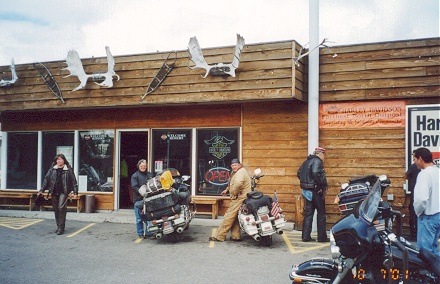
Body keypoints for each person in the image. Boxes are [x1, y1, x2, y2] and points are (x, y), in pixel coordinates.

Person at [209, 158, 251, 242]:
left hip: (239, 198)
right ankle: (236, 236)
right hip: (241, 197)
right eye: (232, 165)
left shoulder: (240, 172)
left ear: (239, 165)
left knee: (228, 217)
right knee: (234, 217)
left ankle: (219, 236)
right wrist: (227, 189)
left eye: (235, 165)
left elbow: (238, 183)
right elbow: (232, 182)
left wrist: (233, 193)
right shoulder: (237, 172)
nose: (234, 167)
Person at [38, 154, 78, 235]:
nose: (59, 161)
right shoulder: (52, 169)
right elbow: (46, 179)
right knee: (56, 209)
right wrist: (41, 190)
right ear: (56, 161)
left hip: (64, 192)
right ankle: (59, 226)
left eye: (61, 159)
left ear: (64, 160)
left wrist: (75, 192)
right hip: (54, 191)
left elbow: (74, 181)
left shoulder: (68, 169)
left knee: (61, 208)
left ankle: (61, 228)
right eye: (58, 160)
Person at [297, 147, 329, 242]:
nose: (324, 157)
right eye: (324, 154)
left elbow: (299, 173)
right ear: (320, 154)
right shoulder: (317, 161)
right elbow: (315, 173)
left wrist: (306, 183)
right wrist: (320, 186)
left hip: (307, 191)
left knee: (308, 214)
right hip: (315, 191)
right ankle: (322, 237)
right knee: (321, 213)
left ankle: (305, 237)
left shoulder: (306, 162)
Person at [412, 147, 440, 256]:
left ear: (420, 159)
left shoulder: (423, 174)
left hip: (428, 216)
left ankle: (427, 273)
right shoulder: (438, 171)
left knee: (425, 253)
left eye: (415, 159)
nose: (414, 162)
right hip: (438, 215)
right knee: (434, 250)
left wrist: (418, 212)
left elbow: (421, 199)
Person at [131, 159, 153, 238]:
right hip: (138, 200)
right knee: (139, 218)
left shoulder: (150, 174)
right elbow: (134, 187)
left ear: (146, 166)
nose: (143, 167)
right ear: (138, 166)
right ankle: (140, 233)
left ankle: (148, 232)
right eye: (141, 166)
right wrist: (142, 192)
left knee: (148, 217)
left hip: (148, 199)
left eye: (144, 166)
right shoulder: (135, 176)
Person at [405, 162, 420, 240]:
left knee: (413, 213)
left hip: (414, 192)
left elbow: (406, 176)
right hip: (421, 193)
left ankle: (413, 235)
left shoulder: (413, 166)